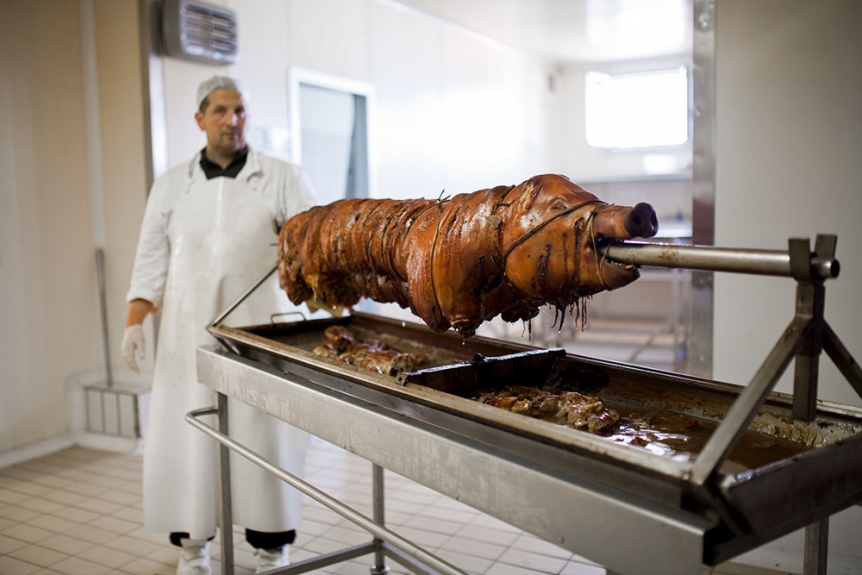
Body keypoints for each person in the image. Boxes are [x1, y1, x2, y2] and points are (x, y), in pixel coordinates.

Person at [121, 76, 318, 575]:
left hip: (261, 339)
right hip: (187, 339)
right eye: (221, 111)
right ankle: (192, 549)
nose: (233, 120)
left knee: (264, 440)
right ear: (200, 119)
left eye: (240, 110)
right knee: (190, 440)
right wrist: (134, 323)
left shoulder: (283, 178)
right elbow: (149, 262)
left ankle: (272, 549)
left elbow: (312, 252)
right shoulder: (171, 186)